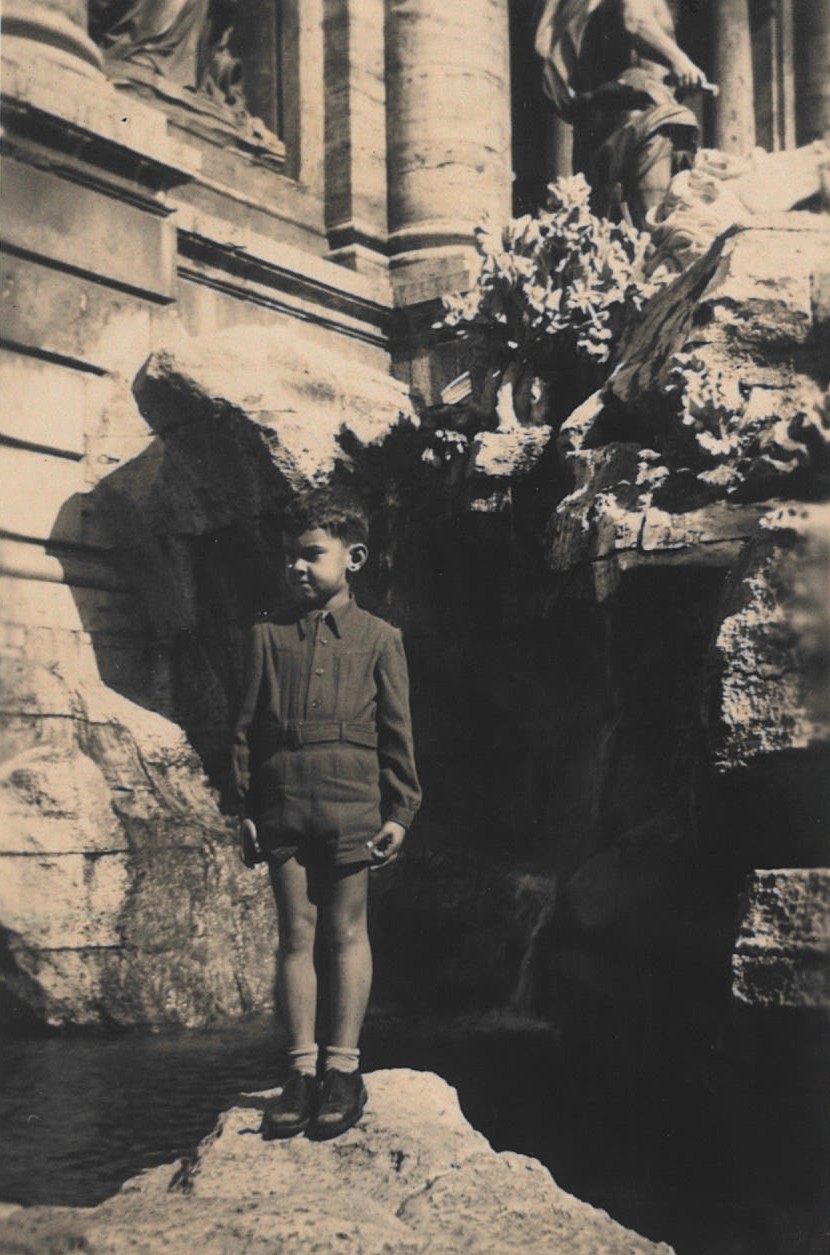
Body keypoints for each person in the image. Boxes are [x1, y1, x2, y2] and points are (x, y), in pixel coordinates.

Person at [231, 486, 421, 1140]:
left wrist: (401, 809)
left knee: (346, 933)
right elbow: (244, 730)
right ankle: (299, 1072)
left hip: (350, 801)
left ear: (353, 557)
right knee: (294, 935)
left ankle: (343, 1069)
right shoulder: (266, 636)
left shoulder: (381, 639)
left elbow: (397, 733)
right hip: (282, 800)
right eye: (291, 554)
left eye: (312, 553)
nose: (297, 566)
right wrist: (245, 807)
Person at [534, 0, 714, 226]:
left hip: (601, 132)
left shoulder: (583, 8)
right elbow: (635, 21)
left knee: (609, 233)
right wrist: (679, 61)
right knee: (654, 228)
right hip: (643, 126)